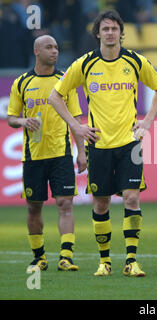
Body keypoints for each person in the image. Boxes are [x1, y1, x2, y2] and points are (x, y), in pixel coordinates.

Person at [49, 9, 157, 277]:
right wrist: (77, 126)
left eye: (115, 28)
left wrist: (147, 122)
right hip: (98, 145)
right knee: (100, 204)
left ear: (121, 33)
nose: (111, 33)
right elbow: (56, 96)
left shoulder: (136, 61)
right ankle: (105, 262)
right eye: (106, 29)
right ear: (98, 33)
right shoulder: (85, 64)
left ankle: (131, 260)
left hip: (129, 142)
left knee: (132, 197)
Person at [7, 35, 86, 272]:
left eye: (56, 47)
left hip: (60, 154)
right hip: (33, 157)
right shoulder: (21, 83)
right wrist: (22, 120)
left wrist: (81, 152)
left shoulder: (65, 81)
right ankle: (39, 257)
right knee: (34, 207)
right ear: (36, 51)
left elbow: (76, 120)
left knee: (65, 203)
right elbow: (11, 117)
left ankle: (66, 256)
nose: (55, 51)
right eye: (49, 47)